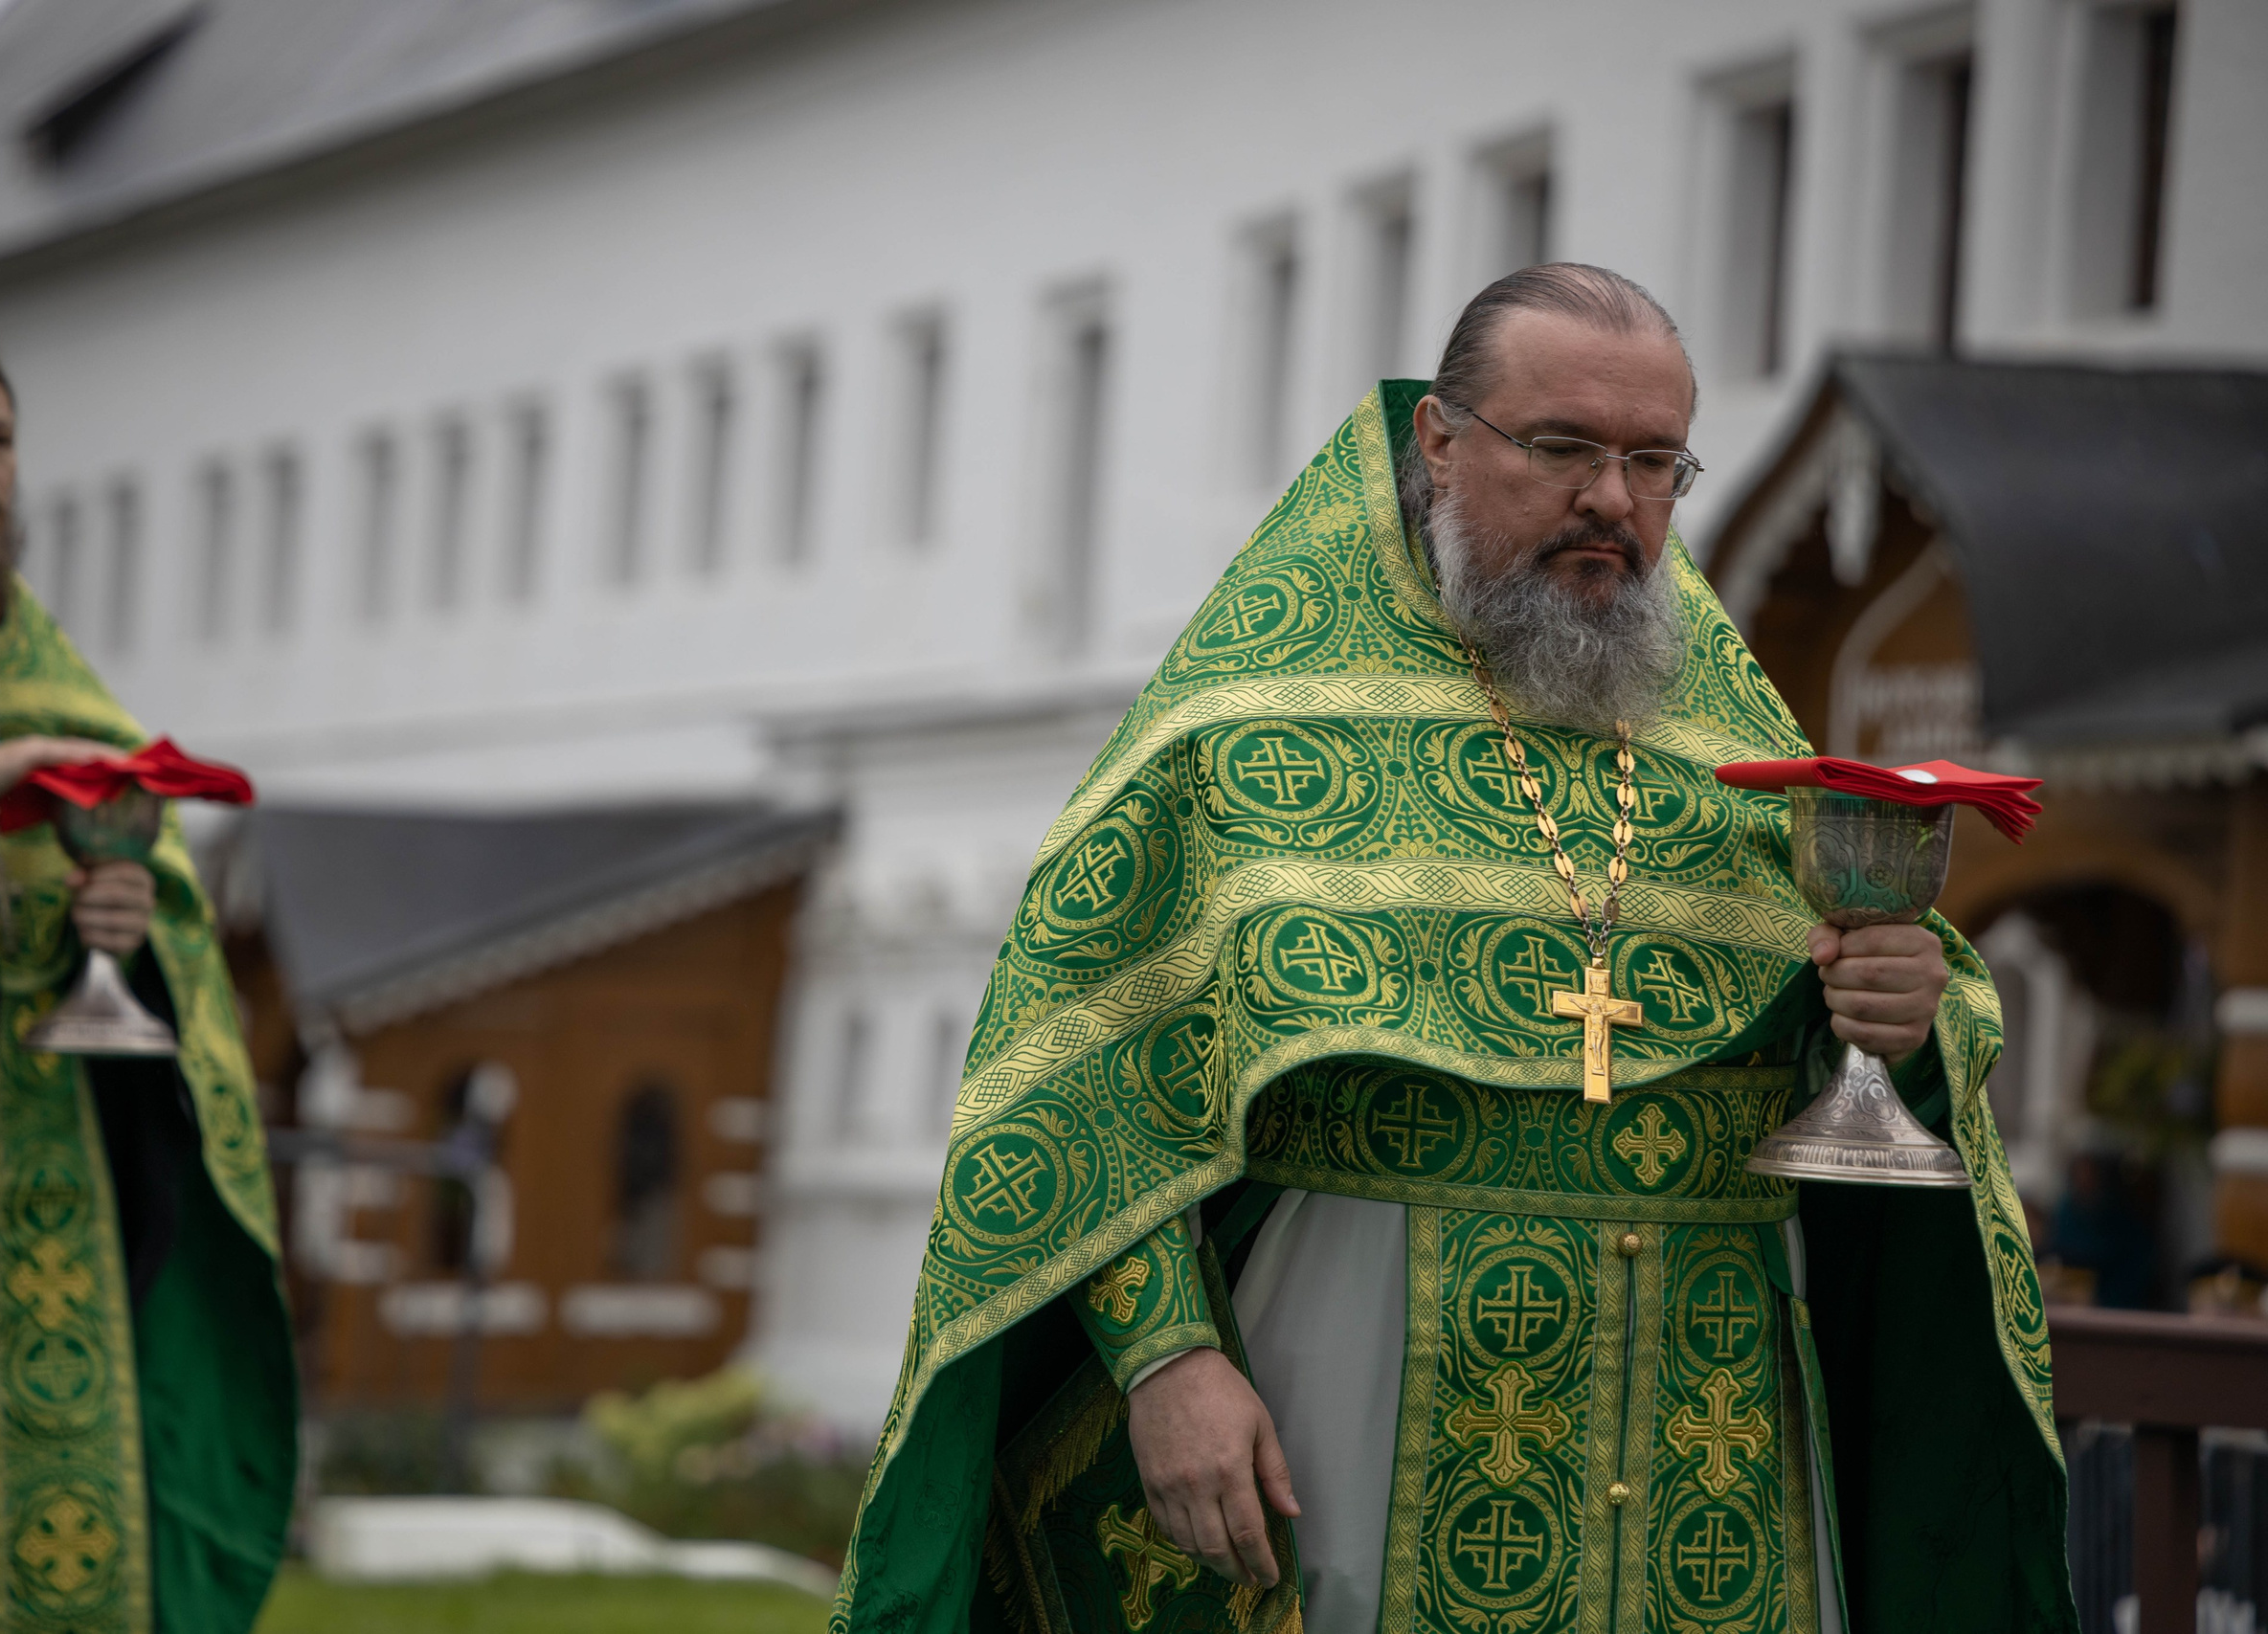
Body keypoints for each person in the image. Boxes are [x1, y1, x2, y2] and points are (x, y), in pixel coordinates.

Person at [834, 265, 2071, 1633]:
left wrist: (1908, 1015)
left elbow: (1883, 1023)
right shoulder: (1251, 729)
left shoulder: (1734, 746)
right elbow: (1087, 1063)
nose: (1613, 497)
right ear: (1437, 442)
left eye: (1655, 461)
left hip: (1707, 1420)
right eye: (1563, 449)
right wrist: (1166, 1355)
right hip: (1360, 1380)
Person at [0, 302, 296, 1634]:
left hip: (52, 1214)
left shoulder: (55, 674)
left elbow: (188, 945)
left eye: (0, 438)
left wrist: (135, 936)